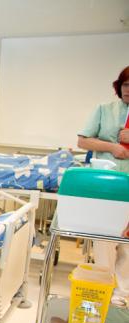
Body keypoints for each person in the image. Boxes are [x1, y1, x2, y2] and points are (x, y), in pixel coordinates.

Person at [77, 65, 129, 307]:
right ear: (119, 86)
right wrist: (112, 147)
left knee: (126, 242)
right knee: (104, 238)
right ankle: (103, 287)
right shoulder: (104, 110)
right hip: (107, 187)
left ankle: (123, 293)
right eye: (126, 85)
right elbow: (82, 141)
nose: (128, 90)